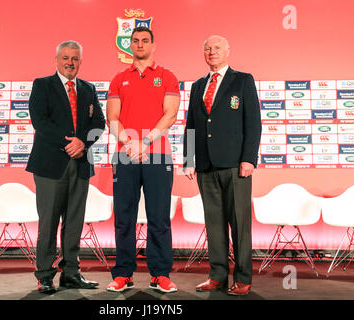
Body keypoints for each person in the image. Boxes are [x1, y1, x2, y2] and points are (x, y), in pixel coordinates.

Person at [183, 35, 261, 296]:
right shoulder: (197, 86)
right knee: (213, 224)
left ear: (228, 51)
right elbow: (191, 126)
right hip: (205, 167)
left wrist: (249, 159)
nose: (211, 52)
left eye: (217, 48)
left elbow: (253, 123)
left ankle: (242, 278)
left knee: (240, 224)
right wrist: (188, 159)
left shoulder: (242, 80)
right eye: (207, 48)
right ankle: (217, 275)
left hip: (235, 166)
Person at [26, 40, 105, 293]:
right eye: (66, 58)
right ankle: (45, 275)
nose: (70, 62)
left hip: (80, 165)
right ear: (57, 60)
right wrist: (69, 142)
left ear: (80, 61)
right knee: (48, 222)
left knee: (74, 222)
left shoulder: (88, 88)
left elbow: (99, 122)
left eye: (75, 58)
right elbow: (40, 121)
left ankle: (71, 272)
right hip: (51, 165)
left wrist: (83, 143)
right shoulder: (42, 85)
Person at [106, 26, 180, 293]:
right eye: (135, 41)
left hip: (158, 155)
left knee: (159, 217)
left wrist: (145, 141)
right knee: (124, 218)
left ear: (153, 45)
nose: (139, 45)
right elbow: (112, 118)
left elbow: (170, 114)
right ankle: (123, 274)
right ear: (129, 45)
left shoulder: (167, 76)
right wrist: (129, 143)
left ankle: (160, 274)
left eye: (144, 41)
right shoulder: (118, 78)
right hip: (125, 155)